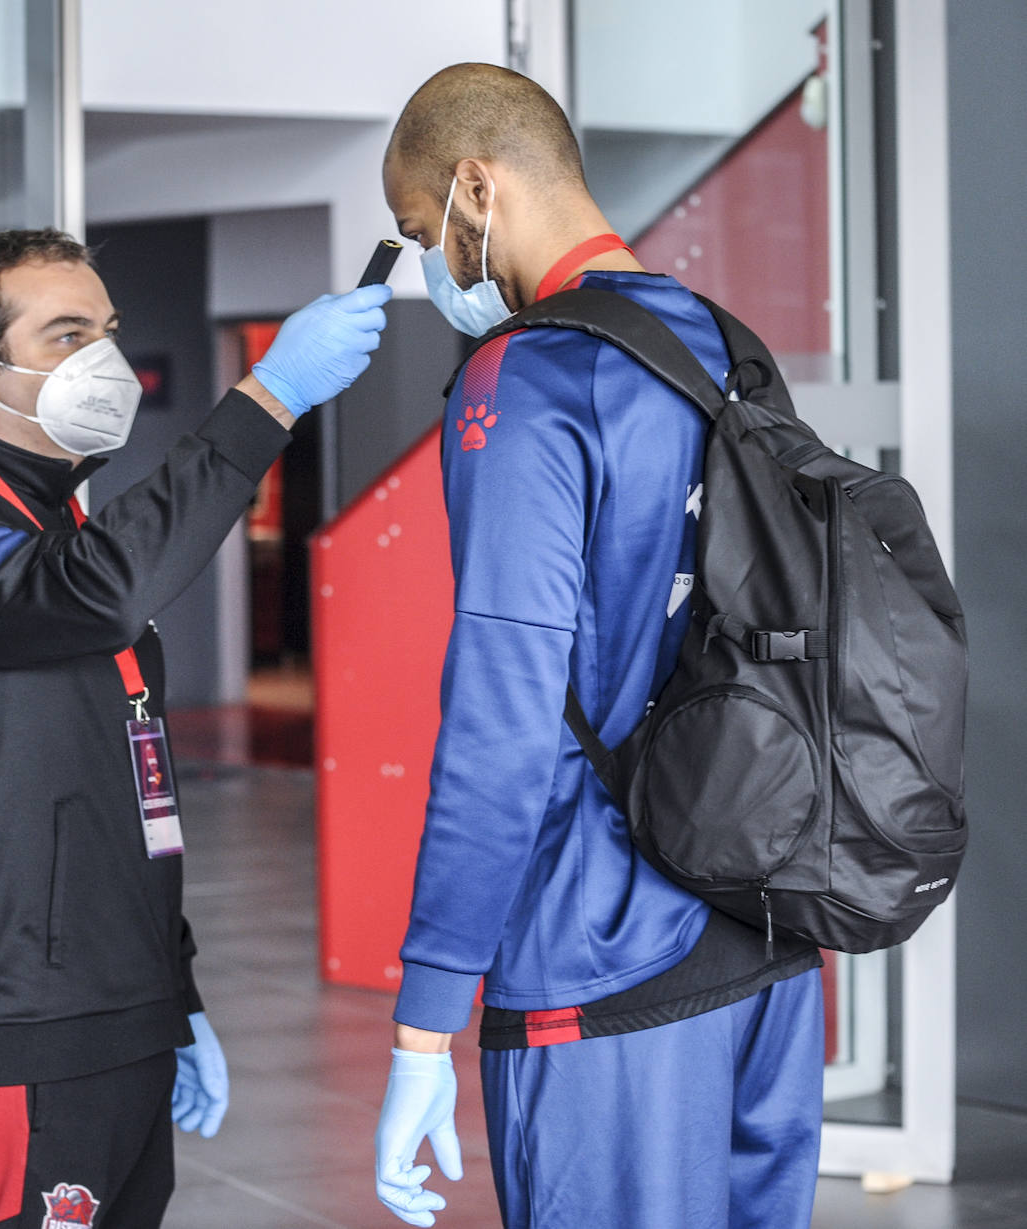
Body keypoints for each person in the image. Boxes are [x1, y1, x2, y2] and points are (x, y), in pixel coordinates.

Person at [0, 227, 390, 1229]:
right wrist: (266, 401)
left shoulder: (51, 527)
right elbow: (97, 594)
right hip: (18, 1027)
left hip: (114, 1011)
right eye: (66, 333)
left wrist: (169, 991)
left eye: (108, 328)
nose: (106, 358)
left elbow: (129, 786)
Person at [373, 65, 825, 1229]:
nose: (433, 268)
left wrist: (429, 1008)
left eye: (424, 233)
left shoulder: (524, 378)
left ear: (478, 189)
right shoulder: (725, 346)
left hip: (604, 962)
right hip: (764, 940)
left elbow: (502, 709)